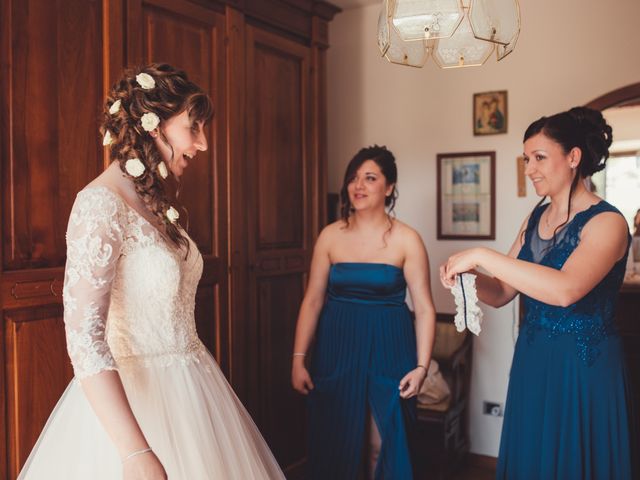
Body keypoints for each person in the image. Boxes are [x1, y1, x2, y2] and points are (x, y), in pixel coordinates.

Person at [18, 64, 285, 479]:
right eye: (193, 128)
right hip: (133, 406)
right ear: (154, 127)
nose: (203, 144)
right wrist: (134, 452)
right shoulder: (99, 204)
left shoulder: (159, 204)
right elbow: (84, 339)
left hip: (195, 391)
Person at [441, 107, 634, 479]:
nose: (529, 168)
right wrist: (466, 276)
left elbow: (565, 290)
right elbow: (500, 291)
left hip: (583, 368)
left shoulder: (608, 223)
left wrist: (482, 254)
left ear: (573, 157)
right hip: (533, 360)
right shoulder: (535, 219)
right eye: (527, 158)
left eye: (539, 157)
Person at [291, 145, 437, 479]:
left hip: (390, 346)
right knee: (335, 442)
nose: (358, 185)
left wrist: (421, 367)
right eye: (354, 178)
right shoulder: (330, 236)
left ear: (388, 188)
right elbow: (312, 300)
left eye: (370, 178)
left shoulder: (407, 240)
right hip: (337, 348)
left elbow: (425, 309)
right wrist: (298, 358)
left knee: (380, 443)